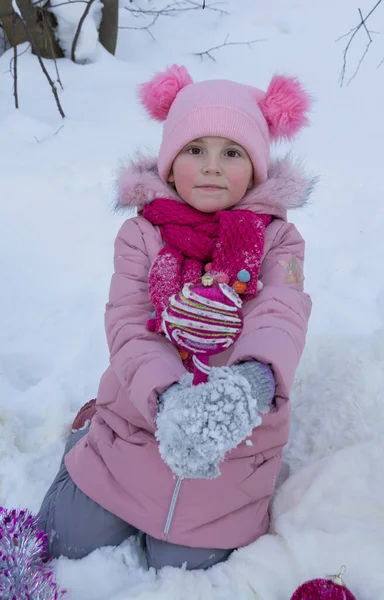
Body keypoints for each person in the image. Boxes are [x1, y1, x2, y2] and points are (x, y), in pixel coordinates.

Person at [37, 65, 313, 570]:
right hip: (138, 422)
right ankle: (87, 437)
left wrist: (250, 383)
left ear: (256, 169)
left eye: (231, 153)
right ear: (168, 166)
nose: (212, 166)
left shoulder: (279, 241)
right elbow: (127, 323)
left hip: (234, 440)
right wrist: (168, 401)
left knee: (185, 560)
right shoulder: (142, 237)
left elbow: (282, 312)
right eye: (194, 150)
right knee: (67, 541)